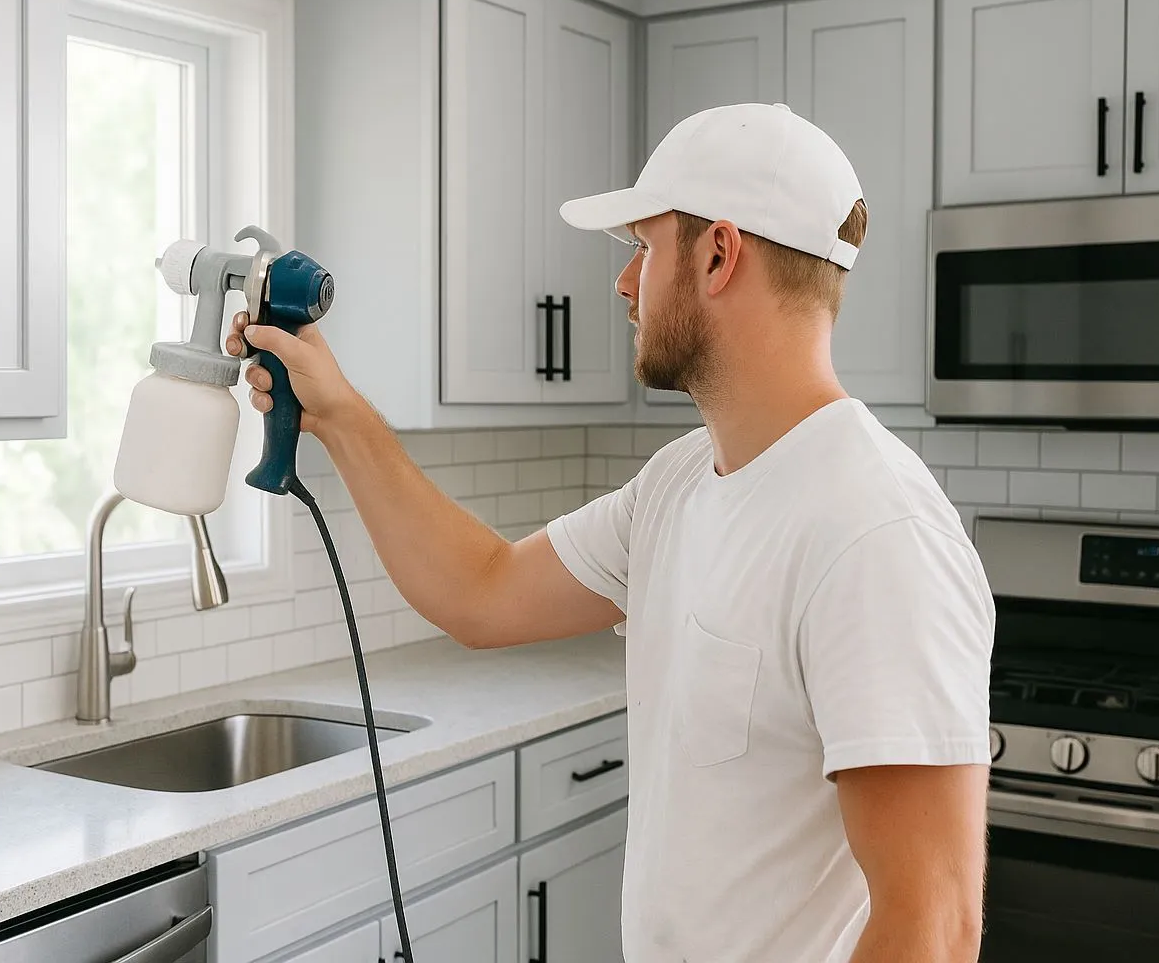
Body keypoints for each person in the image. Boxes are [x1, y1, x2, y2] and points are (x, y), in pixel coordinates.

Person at [226, 102, 994, 963]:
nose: (624, 285)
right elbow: (481, 592)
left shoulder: (873, 532)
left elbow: (932, 927)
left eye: (642, 248)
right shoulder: (678, 485)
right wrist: (339, 414)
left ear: (717, 255)